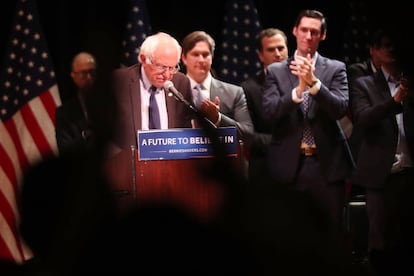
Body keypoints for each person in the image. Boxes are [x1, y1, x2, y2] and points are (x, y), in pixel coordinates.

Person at [262, 10, 351, 237]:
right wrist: (299, 90)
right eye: (304, 30)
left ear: (322, 36)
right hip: (289, 165)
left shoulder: (335, 68)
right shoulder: (276, 71)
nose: (308, 36)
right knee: (288, 236)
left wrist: (315, 84)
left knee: (331, 234)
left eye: (314, 31)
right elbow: (270, 113)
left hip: (326, 166)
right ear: (295, 31)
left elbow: (340, 108)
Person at [350, 29, 414, 275]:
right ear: (373, 50)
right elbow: (363, 118)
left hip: (410, 171)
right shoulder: (364, 84)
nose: (391, 49)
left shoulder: (411, 83)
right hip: (381, 175)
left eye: (394, 45)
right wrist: (394, 100)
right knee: (380, 241)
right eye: (385, 45)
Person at [111, 32, 193, 150]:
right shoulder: (118, 82)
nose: (167, 75)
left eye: (172, 68)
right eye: (161, 67)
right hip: (127, 164)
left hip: (170, 165)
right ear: (144, 59)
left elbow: (186, 131)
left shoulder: (181, 83)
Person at [180, 30, 254, 146]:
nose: (201, 60)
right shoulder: (173, 92)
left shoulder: (234, 93)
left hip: (221, 161)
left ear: (212, 57)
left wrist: (217, 118)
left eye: (205, 55)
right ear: (183, 58)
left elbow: (248, 134)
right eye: (195, 54)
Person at [241, 28, 289, 186]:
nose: (277, 54)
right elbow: (248, 135)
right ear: (260, 55)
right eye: (271, 49)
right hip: (265, 170)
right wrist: (288, 143)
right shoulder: (248, 89)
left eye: (281, 48)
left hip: (304, 172)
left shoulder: (303, 82)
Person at [55, 52, 97, 155]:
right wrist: (86, 135)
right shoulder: (64, 112)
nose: (88, 77)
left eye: (91, 72)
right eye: (83, 73)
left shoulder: (111, 103)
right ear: (73, 76)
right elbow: (64, 148)